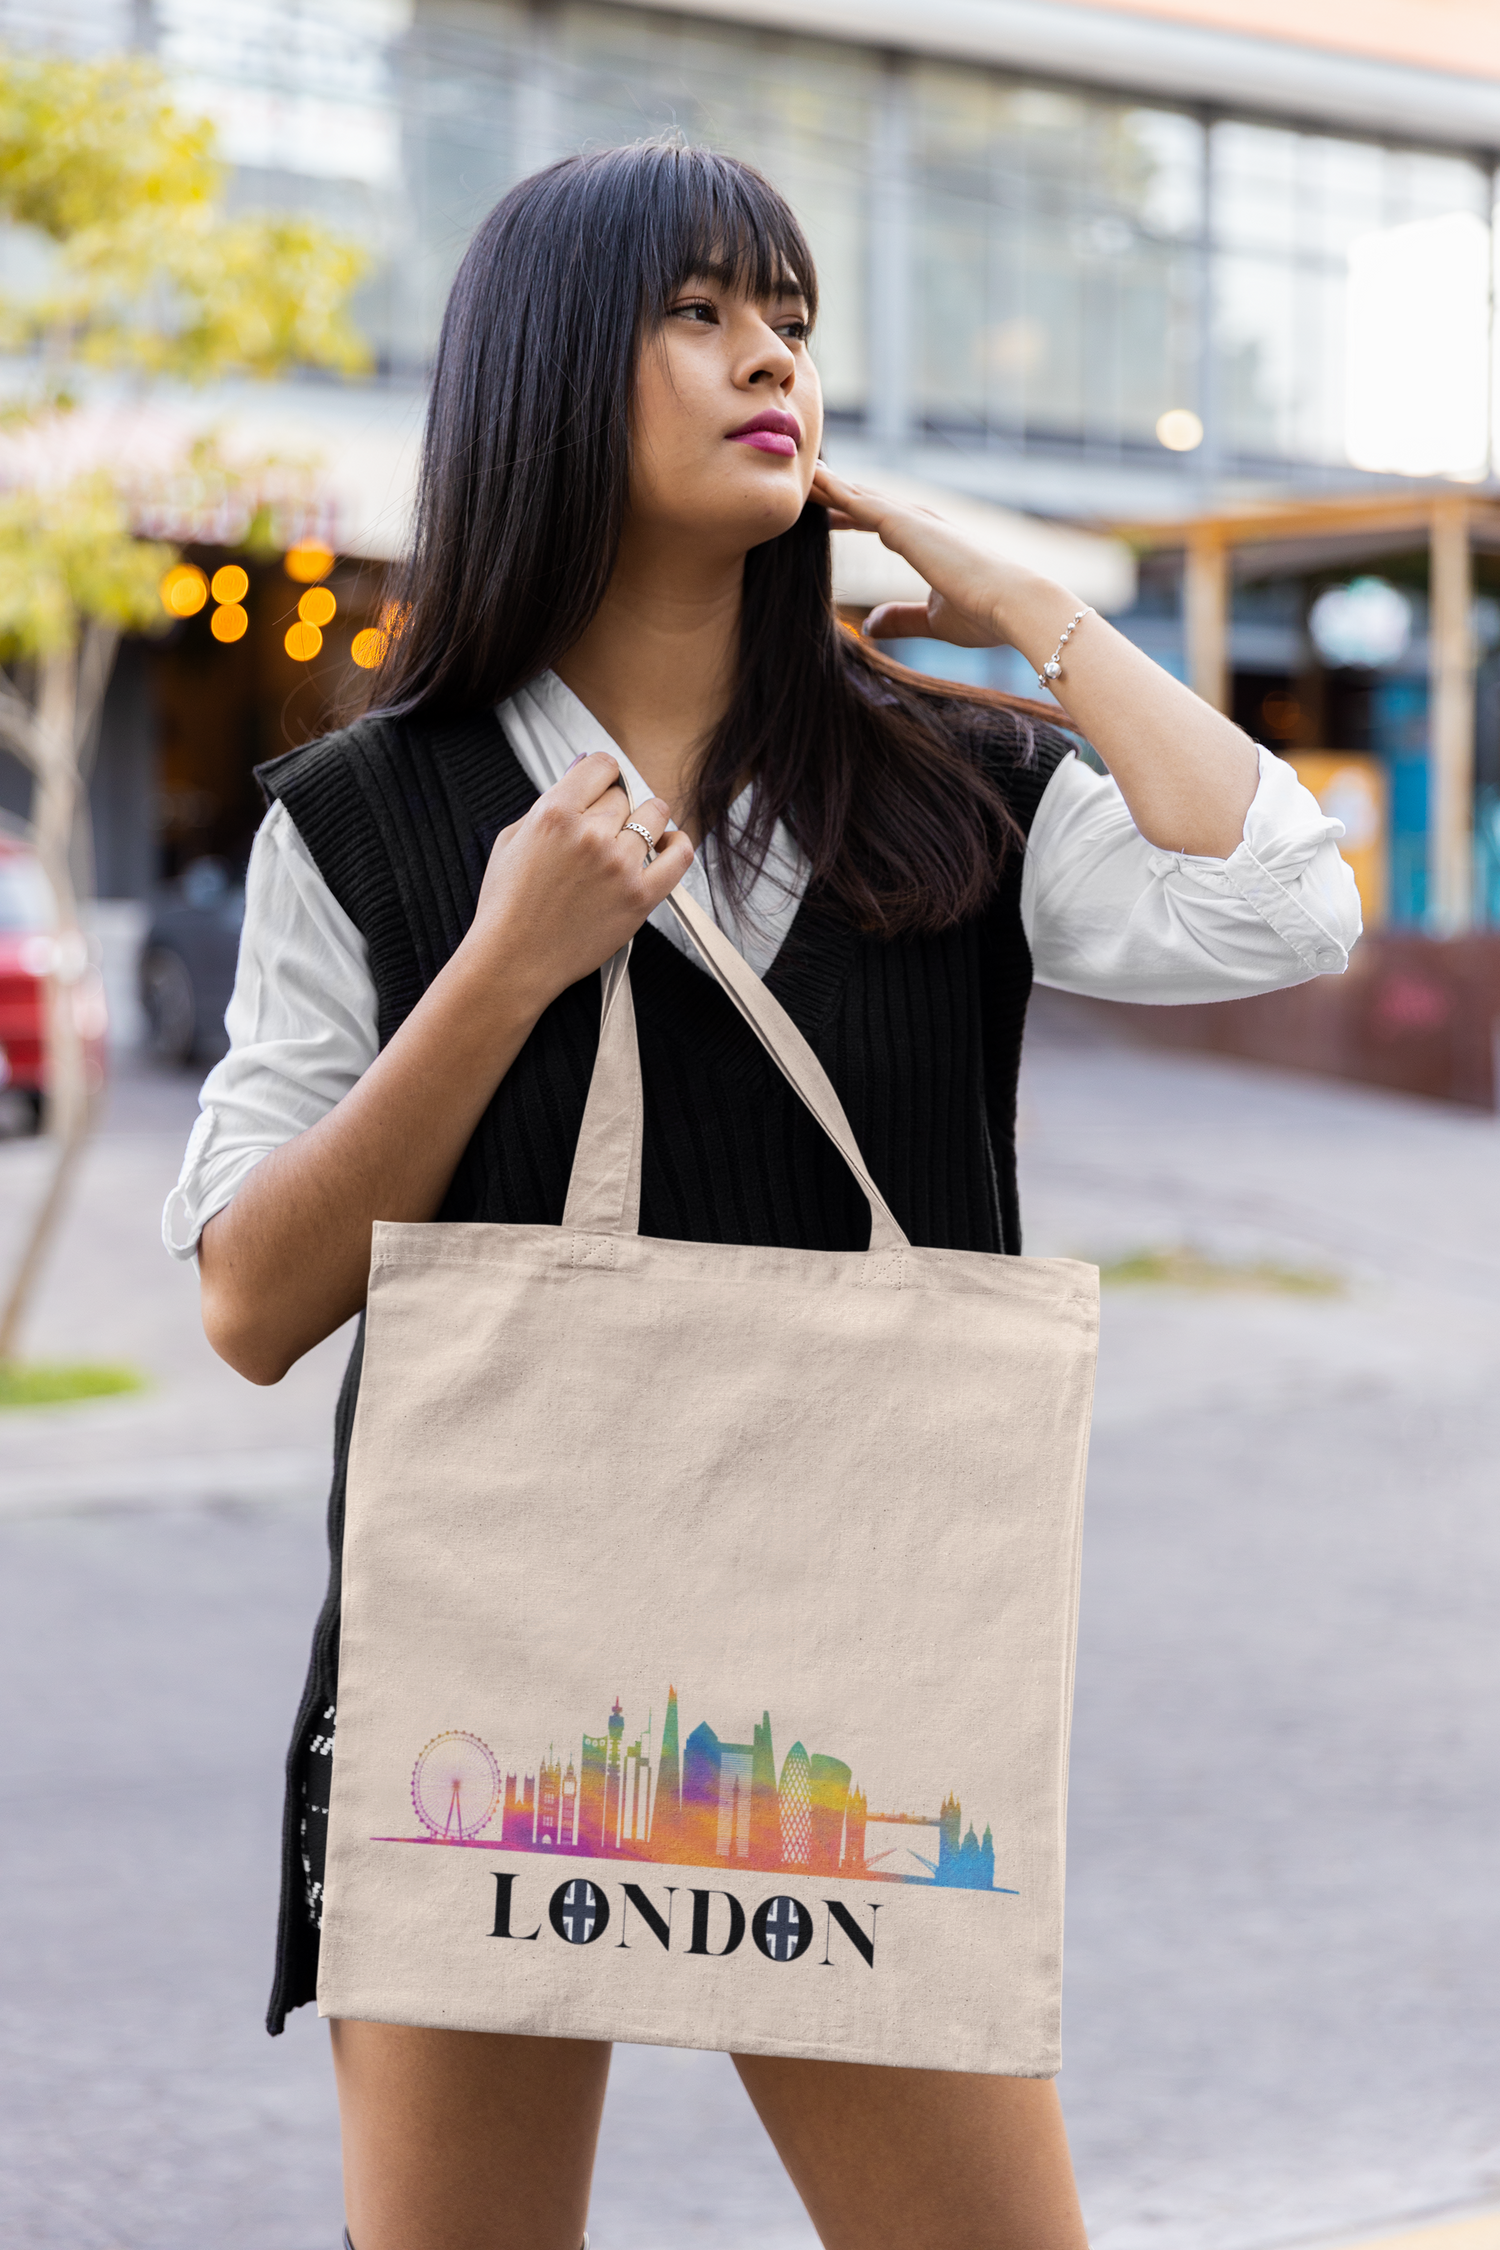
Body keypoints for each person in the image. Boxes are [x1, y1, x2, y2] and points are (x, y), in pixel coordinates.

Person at [164, 140, 1360, 2250]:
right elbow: (253, 1306)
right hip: (481, 1690)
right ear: (548, 373)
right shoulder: (368, 819)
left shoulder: (949, 777)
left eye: (790, 318)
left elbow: (1282, 908)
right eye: (700, 314)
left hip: (856, 1684)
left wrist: (1027, 612)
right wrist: (505, 965)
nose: (766, 359)